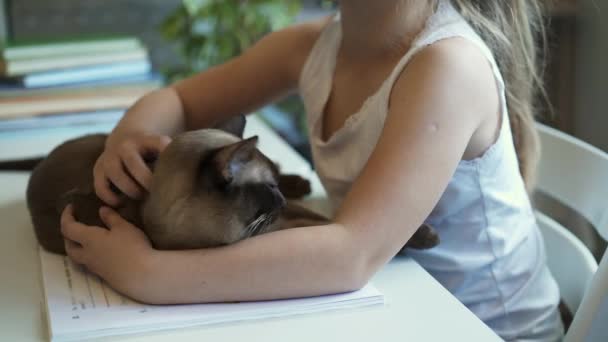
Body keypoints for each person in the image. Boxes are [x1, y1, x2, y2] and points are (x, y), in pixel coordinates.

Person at [60, 0, 564, 340]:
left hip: (487, 327)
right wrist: (127, 138)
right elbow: (176, 100)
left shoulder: (447, 68)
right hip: (393, 301)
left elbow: (351, 254)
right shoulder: (314, 46)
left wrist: (150, 275)